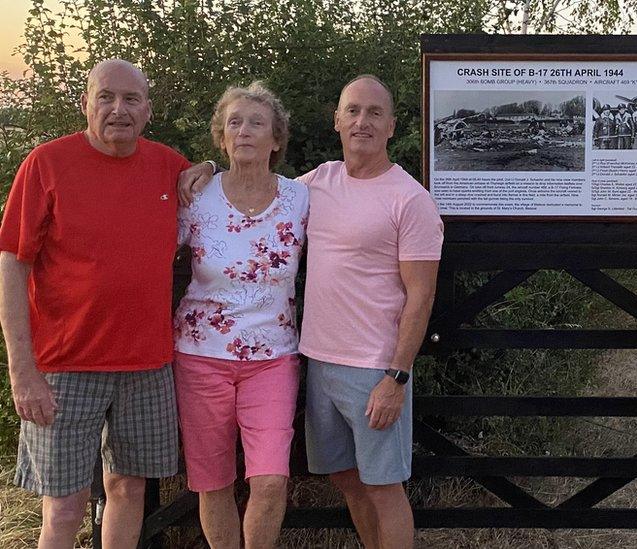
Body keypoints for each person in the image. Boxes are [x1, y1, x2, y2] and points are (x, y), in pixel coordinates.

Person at [179, 74, 443, 549]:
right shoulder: (315, 185)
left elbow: (421, 295)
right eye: (353, 111)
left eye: (374, 113)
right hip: (318, 361)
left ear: (391, 126)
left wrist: (398, 376)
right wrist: (199, 167)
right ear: (337, 120)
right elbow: (250, 184)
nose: (362, 121)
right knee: (345, 479)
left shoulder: (412, 199)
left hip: (374, 367)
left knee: (383, 486)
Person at [0, 59, 189, 549]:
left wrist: (208, 167)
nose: (118, 109)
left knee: (128, 489)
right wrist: (22, 370)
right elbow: (12, 267)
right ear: (85, 103)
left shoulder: (170, 166)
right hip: (63, 367)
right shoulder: (46, 164)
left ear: (148, 110)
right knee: (63, 507)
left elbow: (220, 192)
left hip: (146, 365)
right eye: (106, 97)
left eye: (131, 100)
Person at [173, 82, 308, 549]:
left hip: (273, 358)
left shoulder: (302, 198)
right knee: (213, 482)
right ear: (221, 137)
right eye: (234, 122)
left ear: (276, 139)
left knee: (270, 480)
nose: (244, 130)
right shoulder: (194, 197)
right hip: (199, 357)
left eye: (256, 122)